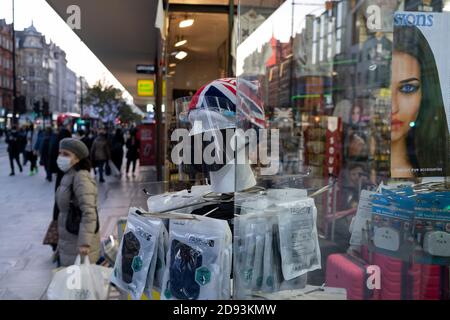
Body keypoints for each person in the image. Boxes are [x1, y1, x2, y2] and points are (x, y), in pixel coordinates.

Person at [391, 25, 450, 178]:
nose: (393, 107)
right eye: (384, 89)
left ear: (425, 93)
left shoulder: (438, 171)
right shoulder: (355, 172)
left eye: (408, 88)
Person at [55, 138, 100, 266]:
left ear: (77, 158)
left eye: (66, 154)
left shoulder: (81, 178)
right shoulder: (68, 175)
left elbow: (89, 213)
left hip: (78, 244)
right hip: (69, 240)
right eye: (60, 153)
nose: (61, 157)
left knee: (80, 283)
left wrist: (84, 243)